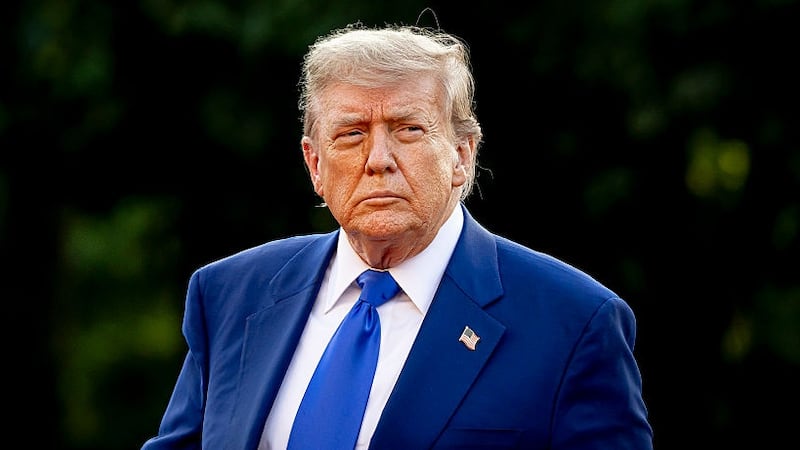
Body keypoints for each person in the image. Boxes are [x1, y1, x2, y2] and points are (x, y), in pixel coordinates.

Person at [141, 21, 653, 450]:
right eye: (351, 134)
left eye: (408, 129)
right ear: (314, 164)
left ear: (462, 154)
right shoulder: (231, 294)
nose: (378, 160)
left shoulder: (574, 323)